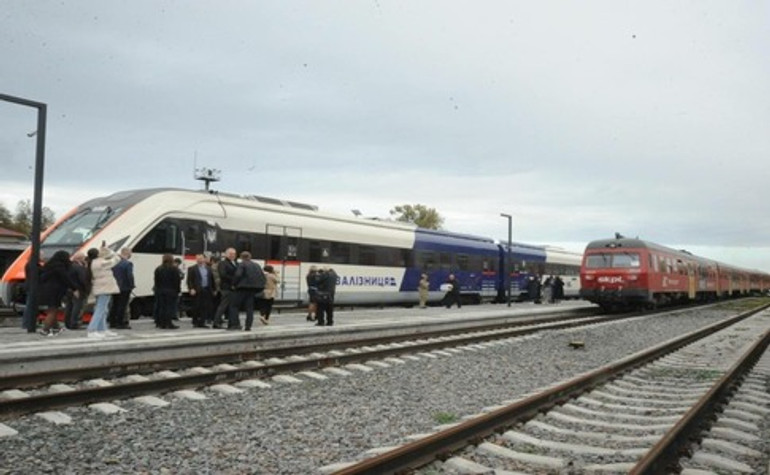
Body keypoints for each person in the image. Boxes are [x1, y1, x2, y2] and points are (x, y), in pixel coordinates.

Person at [38, 250, 78, 336]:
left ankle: (56, 328)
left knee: (52, 310)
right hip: (55, 291)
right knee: (53, 310)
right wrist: (74, 288)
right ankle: (45, 329)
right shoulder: (59, 267)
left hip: (46, 290)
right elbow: (66, 278)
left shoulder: (48, 265)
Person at [86, 245, 121, 338]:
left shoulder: (93, 263)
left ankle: (102, 329)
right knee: (100, 309)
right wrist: (110, 251)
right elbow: (117, 259)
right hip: (105, 287)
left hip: (99, 287)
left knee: (102, 309)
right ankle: (92, 329)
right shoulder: (101, 262)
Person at [230, 251, 266, 331]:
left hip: (242, 288)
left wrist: (234, 284)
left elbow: (238, 275)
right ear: (250, 257)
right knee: (249, 308)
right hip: (253, 290)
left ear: (241, 257)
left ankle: (235, 324)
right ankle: (248, 326)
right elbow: (263, 277)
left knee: (234, 306)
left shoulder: (242, 264)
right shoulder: (257, 265)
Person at [108, 248, 135, 329]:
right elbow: (129, 276)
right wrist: (132, 285)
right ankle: (120, 322)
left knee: (114, 305)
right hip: (125, 287)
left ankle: (112, 322)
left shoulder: (114, 263)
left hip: (114, 286)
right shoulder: (128, 264)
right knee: (122, 305)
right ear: (127, 253)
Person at [187, 254, 216, 328]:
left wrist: (214, 289)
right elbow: (189, 280)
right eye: (198, 259)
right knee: (196, 306)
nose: (200, 260)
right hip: (197, 290)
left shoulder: (208, 269)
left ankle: (202, 322)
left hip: (207, 289)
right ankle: (195, 321)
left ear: (204, 259)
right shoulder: (192, 268)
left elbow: (212, 279)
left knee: (205, 306)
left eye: (201, 258)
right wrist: (191, 288)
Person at [63, 252, 89, 330]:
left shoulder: (68, 266)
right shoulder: (79, 268)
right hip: (78, 289)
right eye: (84, 258)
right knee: (77, 306)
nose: (85, 259)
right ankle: (74, 323)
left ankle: (68, 323)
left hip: (69, 289)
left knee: (69, 306)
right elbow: (83, 279)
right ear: (80, 258)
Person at [154, 253, 181, 329]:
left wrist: (157, 290)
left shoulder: (158, 269)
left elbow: (156, 281)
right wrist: (178, 290)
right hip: (171, 291)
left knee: (162, 307)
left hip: (161, 290)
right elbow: (177, 281)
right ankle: (169, 323)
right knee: (170, 308)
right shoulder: (174, 269)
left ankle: (162, 323)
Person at [213, 248, 237, 328]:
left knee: (232, 306)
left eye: (233, 254)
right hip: (226, 287)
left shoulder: (236, 263)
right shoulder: (223, 263)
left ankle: (233, 323)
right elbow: (223, 275)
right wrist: (234, 279)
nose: (232, 255)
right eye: (230, 254)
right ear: (226, 254)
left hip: (234, 288)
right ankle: (216, 322)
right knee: (223, 305)